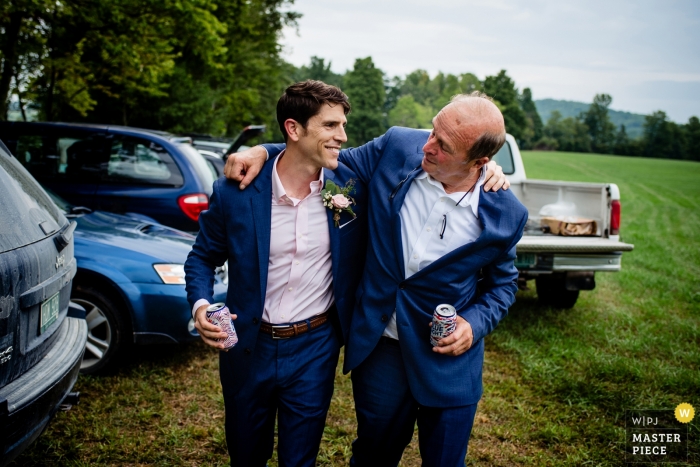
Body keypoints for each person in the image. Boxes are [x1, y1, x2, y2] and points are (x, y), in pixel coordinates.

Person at [186, 80, 509, 466]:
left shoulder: (497, 208)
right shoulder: (240, 190)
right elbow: (205, 254)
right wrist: (261, 150)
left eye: (444, 145)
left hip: (342, 350)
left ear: (478, 162)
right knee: (254, 454)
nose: (428, 146)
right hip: (286, 346)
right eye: (432, 132)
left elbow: (503, 284)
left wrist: (473, 323)